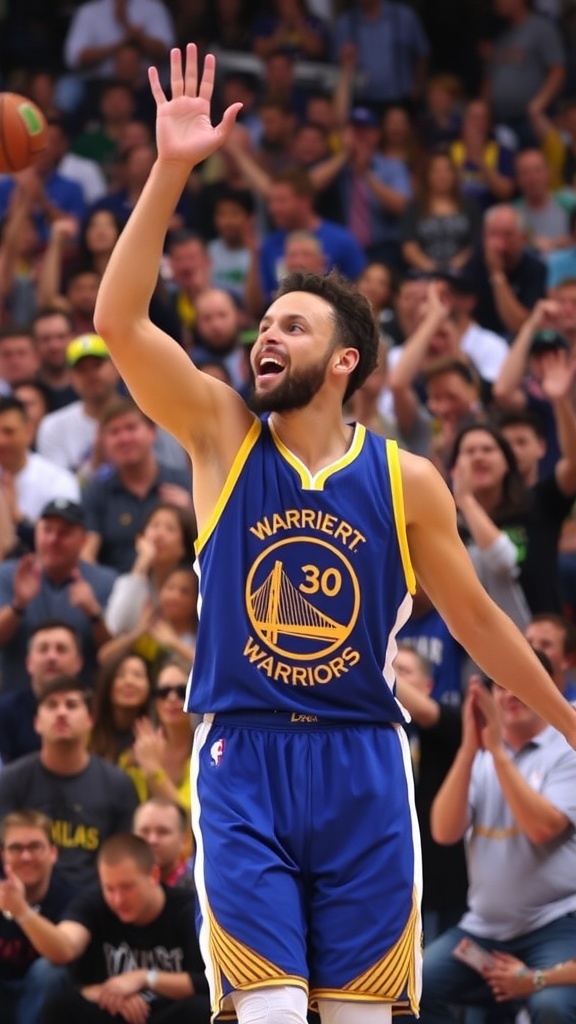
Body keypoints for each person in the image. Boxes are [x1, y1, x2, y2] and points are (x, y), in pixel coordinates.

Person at [92, 45, 576, 1024]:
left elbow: (480, 622)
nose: (267, 336)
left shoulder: (406, 479)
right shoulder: (222, 432)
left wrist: (569, 720)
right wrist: (172, 169)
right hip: (244, 757)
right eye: (263, 324)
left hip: (362, 760)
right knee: (270, 1015)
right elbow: (118, 318)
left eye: (293, 326)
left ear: (348, 358)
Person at [420, 670, 576, 1024]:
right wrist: (469, 749)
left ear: (547, 687)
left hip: (554, 923)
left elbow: (542, 829)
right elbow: (444, 831)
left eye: (520, 684)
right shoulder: (482, 752)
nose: (510, 695)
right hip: (483, 929)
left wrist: (496, 752)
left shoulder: (567, 747)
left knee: (551, 1005)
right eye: (500, 687)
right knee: (418, 985)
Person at [0, 831, 210, 1024]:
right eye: (109, 888)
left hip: (169, 1013)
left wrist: (144, 977)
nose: (118, 899)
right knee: (59, 1005)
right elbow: (67, 951)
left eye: (127, 887)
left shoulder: (187, 909)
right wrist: (22, 911)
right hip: (114, 1011)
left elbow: (206, 983)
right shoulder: (94, 902)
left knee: (202, 1009)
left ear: (153, 876)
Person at [0, 677, 138, 887]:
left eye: (72, 705)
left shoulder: (119, 785)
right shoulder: (9, 782)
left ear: (90, 719)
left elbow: (124, 860)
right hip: (23, 898)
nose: (62, 712)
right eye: (52, 705)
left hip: (98, 906)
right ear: (37, 722)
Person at [0, 499, 117, 692]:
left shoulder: (106, 582)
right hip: (15, 703)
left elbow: (115, 657)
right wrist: (17, 605)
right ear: (36, 532)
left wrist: (94, 613)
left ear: (84, 540)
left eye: (64, 533)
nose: (53, 539)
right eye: (47, 530)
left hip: (81, 705)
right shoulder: (7, 575)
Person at [0, 810, 75, 1024]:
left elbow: (63, 953)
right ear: (3, 854)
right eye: (16, 848)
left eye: (35, 847)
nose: (26, 856)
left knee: (49, 971)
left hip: (46, 998)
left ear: (53, 853)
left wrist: (20, 910)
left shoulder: (74, 898)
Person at [0, 620, 84, 764]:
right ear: (28, 663)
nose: (51, 657)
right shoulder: (4, 711)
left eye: (61, 649)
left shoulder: (95, 708)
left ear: (78, 662)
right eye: (43, 649)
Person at [133, 796, 194, 888]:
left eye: (163, 832)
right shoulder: (119, 891)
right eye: (144, 831)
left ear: (184, 841)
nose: (152, 840)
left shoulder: (198, 891)